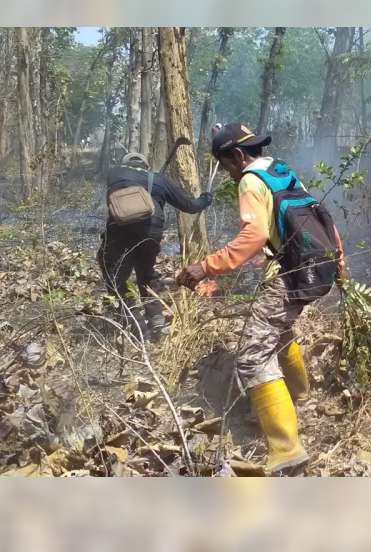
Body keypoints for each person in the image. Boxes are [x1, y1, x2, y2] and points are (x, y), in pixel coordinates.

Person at [176, 123, 344, 476]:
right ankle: (297, 394)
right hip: (318, 268)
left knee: (252, 357)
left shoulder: (251, 180)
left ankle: (286, 450)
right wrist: (339, 259)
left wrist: (205, 267)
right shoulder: (281, 170)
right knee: (277, 329)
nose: (228, 173)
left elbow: (254, 234)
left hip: (290, 275)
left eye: (226, 166)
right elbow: (319, 216)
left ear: (237, 156)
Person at [98, 151, 212, 339]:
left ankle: (133, 321)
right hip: (150, 232)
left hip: (119, 231)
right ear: (147, 166)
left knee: (115, 275)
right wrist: (206, 199)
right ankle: (156, 317)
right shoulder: (160, 180)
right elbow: (189, 206)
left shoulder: (114, 173)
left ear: (125, 164)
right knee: (146, 273)